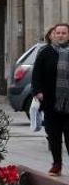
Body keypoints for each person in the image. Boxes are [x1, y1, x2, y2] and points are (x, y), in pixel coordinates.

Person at [32, 23, 69, 176]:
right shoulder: (45, 52)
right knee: (53, 136)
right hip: (50, 102)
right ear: (53, 34)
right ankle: (56, 164)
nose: (60, 35)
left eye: (64, 33)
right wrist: (38, 91)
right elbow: (36, 74)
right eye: (58, 32)